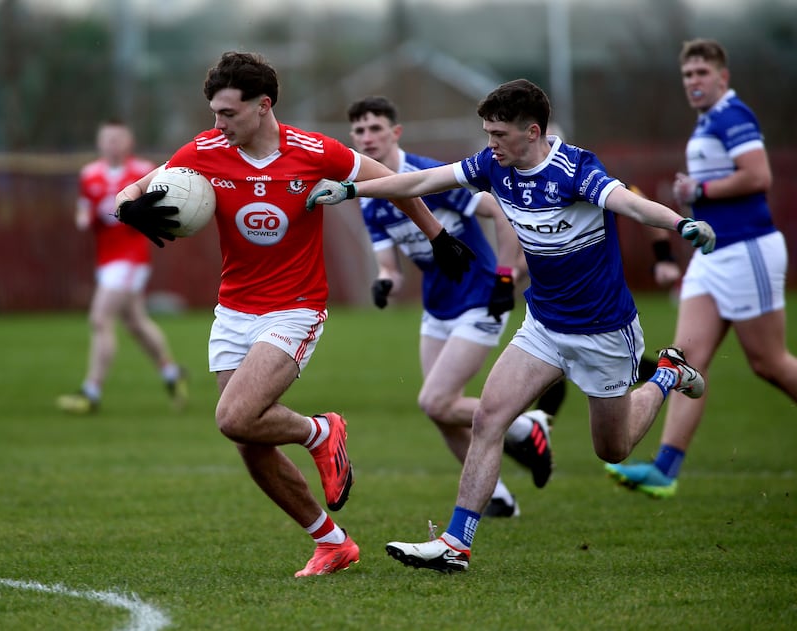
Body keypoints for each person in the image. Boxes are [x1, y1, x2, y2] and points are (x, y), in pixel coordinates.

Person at [307, 78, 716, 572]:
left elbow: (630, 203)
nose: (490, 143)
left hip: (604, 331)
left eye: (498, 134)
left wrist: (681, 224)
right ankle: (456, 544)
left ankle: (667, 373)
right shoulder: (492, 166)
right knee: (487, 419)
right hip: (542, 326)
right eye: (487, 133)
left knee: (613, 448)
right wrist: (352, 189)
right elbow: (419, 182)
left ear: (533, 131)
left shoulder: (576, 169)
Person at [112, 52, 476, 577]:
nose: (218, 124)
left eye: (228, 113)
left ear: (263, 106)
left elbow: (397, 182)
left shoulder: (315, 151)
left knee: (234, 417)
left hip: (294, 308)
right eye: (213, 112)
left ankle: (321, 433)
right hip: (234, 308)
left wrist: (437, 237)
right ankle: (331, 542)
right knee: (247, 437)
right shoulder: (206, 150)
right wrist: (130, 208)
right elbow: (133, 188)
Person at [347, 96, 560, 517]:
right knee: (441, 411)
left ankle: (524, 426)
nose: (366, 137)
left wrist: (506, 274)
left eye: (375, 128)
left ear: (395, 133)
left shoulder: (424, 175)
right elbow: (392, 266)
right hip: (438, 305)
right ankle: (496, 494)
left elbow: (500, 210)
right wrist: (383, 283)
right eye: (358, 131)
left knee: (436, 400)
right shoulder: (371, 198)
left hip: (481, 295)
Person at [605, 38, 797, 498]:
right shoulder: (708, 121)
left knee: (768, 363)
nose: (693, 82)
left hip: (748, 248)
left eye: (702, 73)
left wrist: (701, 191)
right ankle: (665, 468)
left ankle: (666, 466)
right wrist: (693, 194)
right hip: (714, 258)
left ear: (722, 77)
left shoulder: (735, 115)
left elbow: (759, 176)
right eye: (688, 75)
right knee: (685, 361)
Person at [56, 120, 188, 414]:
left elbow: (159, 209)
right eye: (107, 139)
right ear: (99, 143)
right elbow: (85, 210)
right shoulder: (90, 174)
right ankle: (171, 373)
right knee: (136, 322)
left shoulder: (142, 171)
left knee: (100, 319)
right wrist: (85, 217)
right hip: (106, 258)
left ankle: (90, 392)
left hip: (131, 257)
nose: (112, 144)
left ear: (129, 142)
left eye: (118, 139)